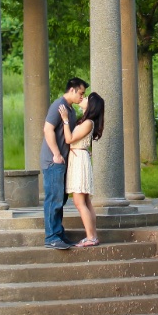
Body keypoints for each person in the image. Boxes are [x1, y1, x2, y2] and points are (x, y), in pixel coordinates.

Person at [41, 77, 87, 250]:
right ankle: (51, 237)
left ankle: (59, 234)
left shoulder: (70, 110)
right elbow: (47, 129)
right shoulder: (58, 105)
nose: (82, 96)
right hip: (53, 160)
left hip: (63, 161)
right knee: (53, 198)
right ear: (72, 90)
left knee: (60, 198)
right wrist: (56, 154)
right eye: (81, 93)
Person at [61, 91, 104, 248]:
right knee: (85, 202)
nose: (83, 99)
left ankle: (91, 237)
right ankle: (93, 235)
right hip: (80, 157)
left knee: (80, 202)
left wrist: (65, 120)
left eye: (86, 98)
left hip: (79, 161)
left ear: (91, 105)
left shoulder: (88, 122)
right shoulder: (88, 122)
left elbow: (69, 139)